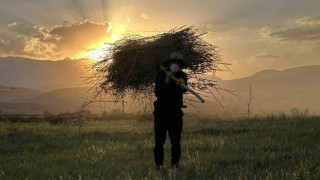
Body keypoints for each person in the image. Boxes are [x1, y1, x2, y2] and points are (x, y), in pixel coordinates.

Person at [153, 51, 188, 169]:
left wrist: (181, 85)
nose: (175, 64)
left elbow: (184, 90)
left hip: (175, 112)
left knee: (176, 142)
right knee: (159, 142)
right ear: (169, 63)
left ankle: (175, 165)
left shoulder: (182, 76)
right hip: (161, 112)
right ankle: (158, 165)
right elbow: (158, 92)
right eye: (174, 62)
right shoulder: (161, 75)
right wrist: (167, 80)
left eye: (178, 63)